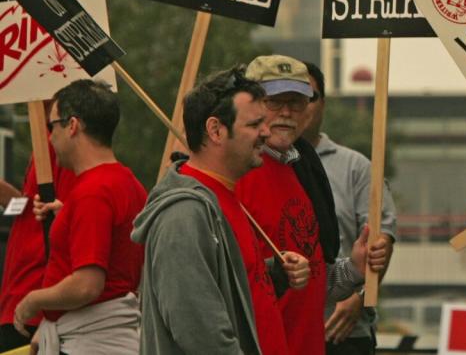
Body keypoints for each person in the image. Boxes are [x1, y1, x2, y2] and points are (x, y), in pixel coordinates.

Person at [133, 67, 310, 355]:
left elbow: (230, 289)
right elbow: (198, 330)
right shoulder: (183, 215)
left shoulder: (223, 197)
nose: (266, 132)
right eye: (254, 125)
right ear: (216, 130)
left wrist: (276, 273)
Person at [236, 55, 388, 354]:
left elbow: (316, 280)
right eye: (275, 101)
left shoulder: (306, 170)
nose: (287, 112)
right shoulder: (234, 172)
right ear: (247, 103)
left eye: (297, 102)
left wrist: (355, 269)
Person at [13, 80, 147, 354]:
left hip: (91, 342)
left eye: (52, 127)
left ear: (73, 125)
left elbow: (87, 285)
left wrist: (33, 300)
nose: (49, 137)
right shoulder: (128, 182)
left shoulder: (93, 192)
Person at [305, 61, 398, 355]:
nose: (295, 107)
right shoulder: (256, 163)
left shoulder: (356, 168)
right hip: (280, 331)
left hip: (343, 333)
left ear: (323, 104)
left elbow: (381, 239)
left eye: (308, 97)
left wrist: (360, 296)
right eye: (283, 99)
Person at [0, 105, 76, 351]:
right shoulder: (44, 138)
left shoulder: (59, 142)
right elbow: (28, 205)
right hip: (19, 294)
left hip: (34, 298)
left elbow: (63, 214)